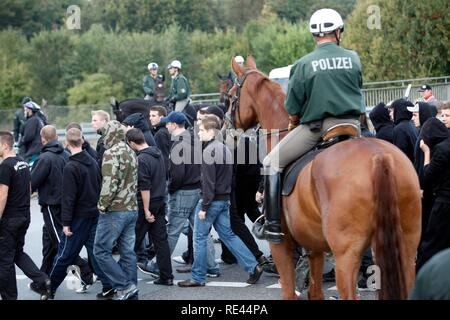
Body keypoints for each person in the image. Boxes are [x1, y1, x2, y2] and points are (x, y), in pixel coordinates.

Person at [261, 8, 364, 243]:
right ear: (338, 32)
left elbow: (294, 106)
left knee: (271, 162)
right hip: (353, 125)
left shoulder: (304, 64)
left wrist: (294, 120)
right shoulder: (354, 57)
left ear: (314, 35)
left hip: (319, 127)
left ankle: (273, 226)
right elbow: (357, 86)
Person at [178, 115, 263, 287]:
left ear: (211, 131)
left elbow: (209, 183)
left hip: (211, 201)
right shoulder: (225, 148)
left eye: (201, 130)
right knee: (229, 235)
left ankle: (198, 277)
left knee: (200, 238)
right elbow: (229, 178)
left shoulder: (209, 152)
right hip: (225, 199)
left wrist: (204, 206)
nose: (199, 133)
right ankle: (253, 266)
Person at [30, 125, 94, 291]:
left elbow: (32, 183)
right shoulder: (65, 154)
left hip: (52, 206)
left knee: (61, 244)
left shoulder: (44, 158)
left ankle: (86, 272)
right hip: (64, 206)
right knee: (49, 244)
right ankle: (42, 280)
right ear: (57, 138)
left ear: (43, 139)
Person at [48, 128, 110, 298]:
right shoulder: (92, 161)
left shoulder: (71, 167)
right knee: (96, 252)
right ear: (83, 141)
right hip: (94, 214)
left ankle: (49, 287)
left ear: (66, 143)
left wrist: (66, 223)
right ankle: (108, 284)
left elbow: (68, 198)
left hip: (78, 218)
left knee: (64, 255)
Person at [0, 131, 51, 300]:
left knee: (4, 261)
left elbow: (2, 195)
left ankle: (9, 297)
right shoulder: (22, 162)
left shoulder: (5, 166)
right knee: (17, 253)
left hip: (9, 219)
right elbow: (28, 189)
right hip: (24, 216)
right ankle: (42, 279)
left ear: (5, 145)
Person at [94, 120, 139, 300]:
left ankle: (125, 286)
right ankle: (131, 292)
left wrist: (102, 205)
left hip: (115, 209)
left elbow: (109, 183)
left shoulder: (111, 153)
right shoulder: (130, 151)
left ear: (110, 134)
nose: (104, 138)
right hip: (131, 208)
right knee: (128, 252)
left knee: (100, 250)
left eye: (105, 134)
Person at [126, 128, 174, 286]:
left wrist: (146, 210)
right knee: (161, 241)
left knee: (132, 241)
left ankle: (122, 276)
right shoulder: (158, 153)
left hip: (147, 203)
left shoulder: (142, 159)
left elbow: (144, 187)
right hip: (160, 199)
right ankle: (167, 276)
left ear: (132, 143)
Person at [416, 118, 450, 272]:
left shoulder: (441, 150)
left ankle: (421, 278)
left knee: (431, 244)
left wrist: (427, 152)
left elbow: (427, 175)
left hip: (444, 204)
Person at [391, 99, 418, 163]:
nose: (390, 113)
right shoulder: (411, 125)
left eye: (393, 110)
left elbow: (400, 155)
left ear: (399, 111)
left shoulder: (400, 129)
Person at [149, 106, 172, 172]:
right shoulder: (164, 130)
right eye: (150, 116)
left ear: (161, 117)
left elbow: (164, 157)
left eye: (153, 116)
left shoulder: (161, 134)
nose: (150, 118)